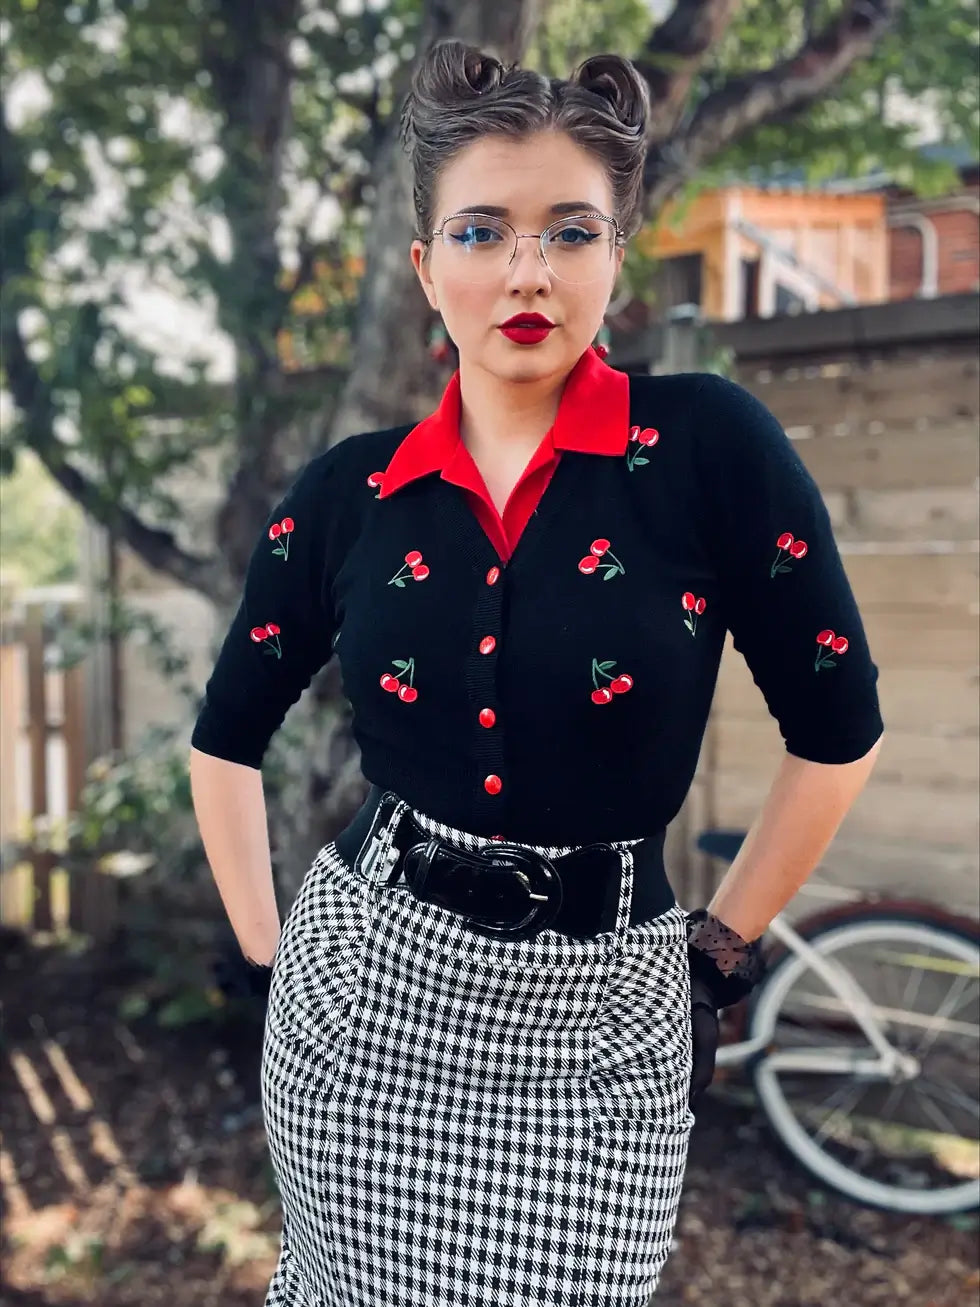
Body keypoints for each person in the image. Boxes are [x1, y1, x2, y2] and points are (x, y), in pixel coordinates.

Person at [189, 38, 885, 1307]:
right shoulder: (349, 497)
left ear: (616, 254)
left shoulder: (707, 451)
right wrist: (270, 951)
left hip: (601, 1019)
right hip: (362, 1005)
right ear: (424, 268)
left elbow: (837, 731)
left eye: (570, 231)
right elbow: (223, 737)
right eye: (480, 232)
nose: (526, 270)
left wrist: (715, 952)